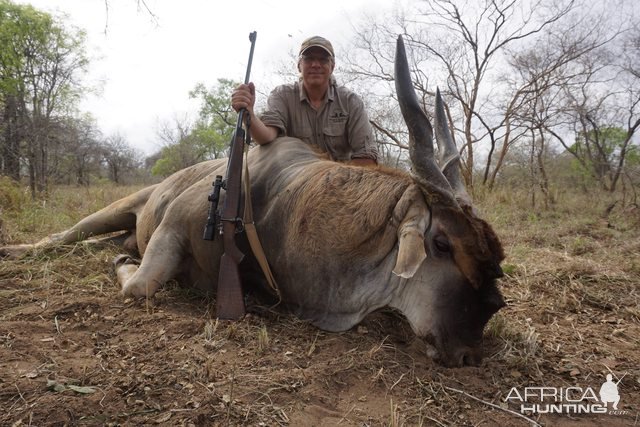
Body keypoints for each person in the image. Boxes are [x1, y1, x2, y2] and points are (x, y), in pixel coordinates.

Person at [231, 35, 378, 166]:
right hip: (291, 183)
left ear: (332, 66)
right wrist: (248, 114)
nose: (315, 64)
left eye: (323, 59)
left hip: (339, 183)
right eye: (309, 59)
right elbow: (266, 137)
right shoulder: (281, 95)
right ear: (299, 65)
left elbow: (366, 156)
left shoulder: (350, 102)